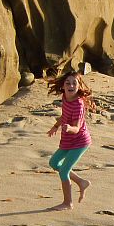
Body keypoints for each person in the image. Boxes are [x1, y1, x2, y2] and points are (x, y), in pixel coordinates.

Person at [46, 71, 94, 211]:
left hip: (80, 142)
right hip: (68, 140)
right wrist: (56, 126)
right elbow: (64, 115)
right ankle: (81, 182)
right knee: (54, 163)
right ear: (63, 86)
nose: (71, 85)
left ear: (79, 86)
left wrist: (69, 128)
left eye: (74, 83)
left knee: (64, 171)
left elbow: (77, 128)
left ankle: (68, 203)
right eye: (68, 83)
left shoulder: (79, 105)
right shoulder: (65, 98)